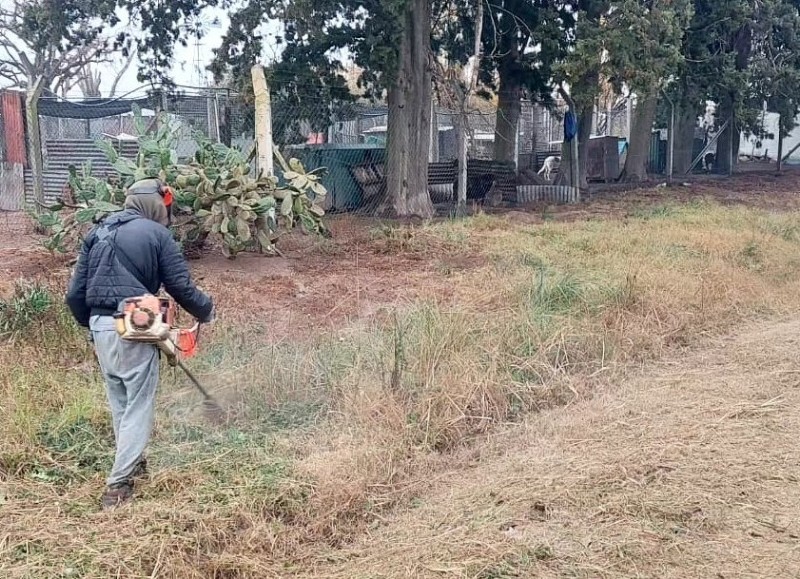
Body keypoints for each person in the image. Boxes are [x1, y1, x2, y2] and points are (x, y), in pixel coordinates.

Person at [66, 179, 214, 509]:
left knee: (121, 401)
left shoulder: (99, 231)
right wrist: (207, 311)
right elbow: (181, 287)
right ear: (155, 205)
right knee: (139, 404)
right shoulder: (157, 235)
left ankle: (133, 464)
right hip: (136, 323)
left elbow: (74, 294)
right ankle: (118, 486)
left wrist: (93, 327)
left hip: (101, 324)